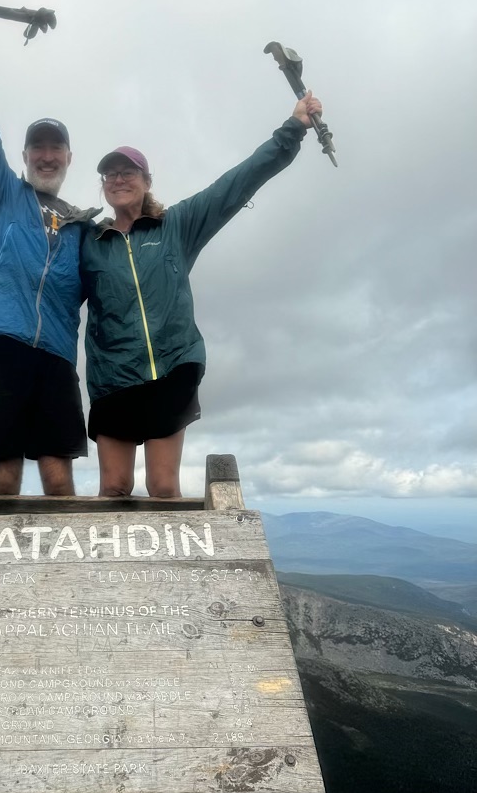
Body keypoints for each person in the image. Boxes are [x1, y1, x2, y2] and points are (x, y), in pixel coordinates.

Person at [81, 92, 323, 498]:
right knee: (114, 488)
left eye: (129, 172)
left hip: (172, 367)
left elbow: (236, 183)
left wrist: (294, 127)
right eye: (111, 174)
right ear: (104, 186)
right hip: (112, 375)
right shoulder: (88, 242)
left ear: (146, 181)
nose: (119, 180)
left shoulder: (176, 225)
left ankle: (168, 566)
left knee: (162, 487)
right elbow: (50, 282)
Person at [0, 0, 99, 496]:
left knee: (60, 474)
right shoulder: (1, 191)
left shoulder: (81, 225)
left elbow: (104, 285)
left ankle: (67, 574)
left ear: (68, 157)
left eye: (55, 147)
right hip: (5, 341)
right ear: (24, 155)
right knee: (4, 471)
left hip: (58, 353)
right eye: (38, 146)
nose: (46, 154)